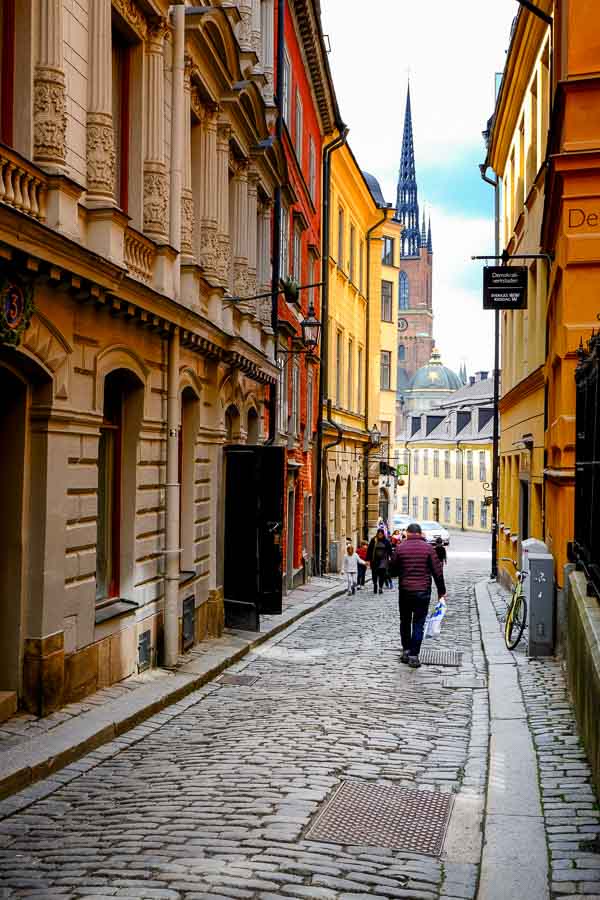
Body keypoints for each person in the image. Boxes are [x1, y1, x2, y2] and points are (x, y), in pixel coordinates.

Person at [390, 522, 446, 669]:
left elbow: (392, 570)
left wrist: (401, 571)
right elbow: (437, 571)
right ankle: (414, 656)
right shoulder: (429, 549)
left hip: (406, 591)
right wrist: (441, 591)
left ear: (407, 533)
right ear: (420, 534)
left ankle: (406, 651)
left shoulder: (400, 548)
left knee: (405, 621)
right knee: (418, 623)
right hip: (423, 592)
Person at [367, 528, 393, 595]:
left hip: (383, 560)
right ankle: (375, 584)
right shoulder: (374, 540)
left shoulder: (386, 541)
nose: (380, 535)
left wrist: (391, 558)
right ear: (377, 534)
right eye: (379, 534)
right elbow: (369, 550)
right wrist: (368, 560)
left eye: (381, 534)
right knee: (374, 574)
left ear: (383, 534)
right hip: (374, 560)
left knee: (382, 574)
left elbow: (390, 550)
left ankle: (380, 587)